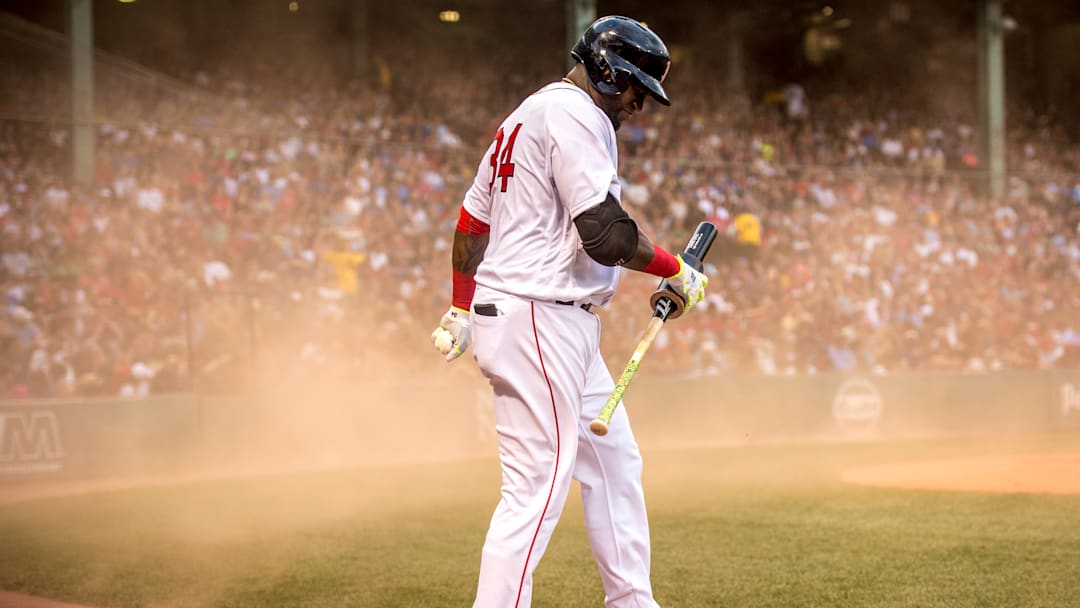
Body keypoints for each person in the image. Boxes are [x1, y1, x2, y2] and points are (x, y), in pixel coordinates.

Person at [431, 15, 709, 608]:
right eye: (635, 86)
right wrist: (674, 269)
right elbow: (604, 234)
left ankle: (632, 602)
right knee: (535, 489)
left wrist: (459, 308)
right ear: (606, 70)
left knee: (614, 462)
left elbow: (472, 221)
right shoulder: (577, 114)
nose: (639, 103)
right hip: (539, 317)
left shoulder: (527, 114)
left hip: (550, 318)